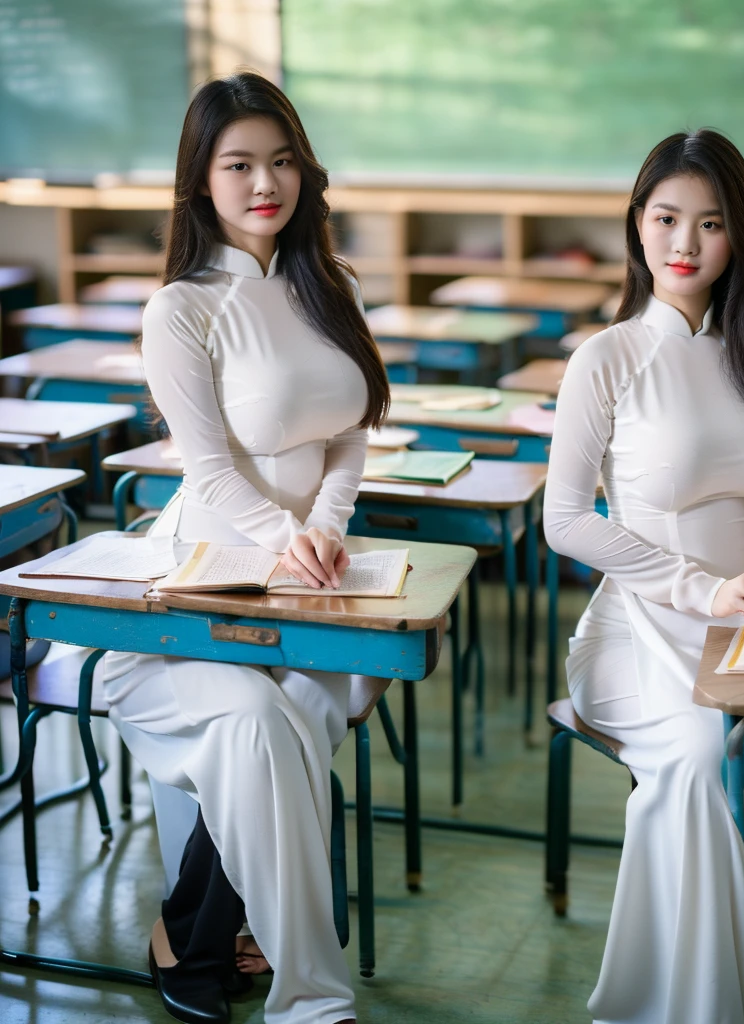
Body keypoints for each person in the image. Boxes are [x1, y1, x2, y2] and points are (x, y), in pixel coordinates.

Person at [543, 129, 744, 1024]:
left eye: (711, 224)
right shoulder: (604, 359)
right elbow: (562, 522)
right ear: (637, 226)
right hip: (637, 633)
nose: (685, 244)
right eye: (667, 218)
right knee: (695, 756)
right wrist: (699, 587)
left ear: (738, 238)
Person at [101, 70, 390, 1024]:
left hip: (308, 576)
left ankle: (190, 935)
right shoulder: (180, 309)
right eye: (238, 165)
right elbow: (210, 467)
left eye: (281, 161)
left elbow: (350, 433)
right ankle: (316, 1000)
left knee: (302, 713)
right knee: (266, 728)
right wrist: (287, 533)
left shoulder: (325, 283)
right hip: (199, 581)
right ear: (201, 181)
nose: (266, 182)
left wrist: (327, 528)